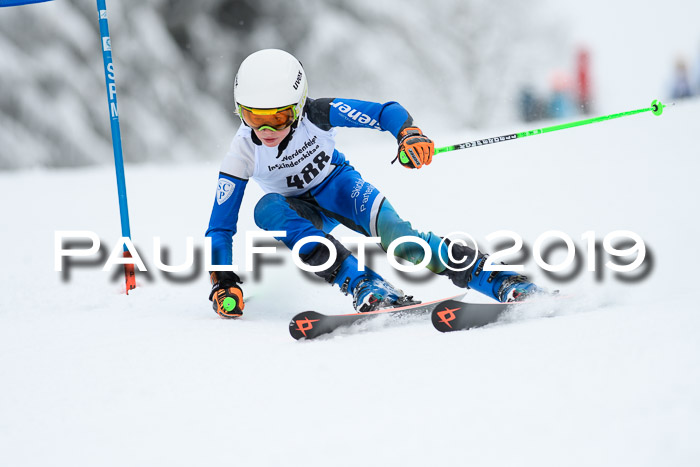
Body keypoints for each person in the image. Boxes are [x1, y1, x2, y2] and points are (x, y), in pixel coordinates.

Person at [206, 49, 540, 318]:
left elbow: (384, 112)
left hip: (341, 189)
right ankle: (363, 283)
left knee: (404, 242)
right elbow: (220, 228)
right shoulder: (241, 154)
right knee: (267, 209)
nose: (265, 130)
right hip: (302, 212)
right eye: (252, 117)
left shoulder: (318, 114)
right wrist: (222, 281)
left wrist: (408, 134)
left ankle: (496, 277)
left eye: (277, 117)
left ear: (297, 105)